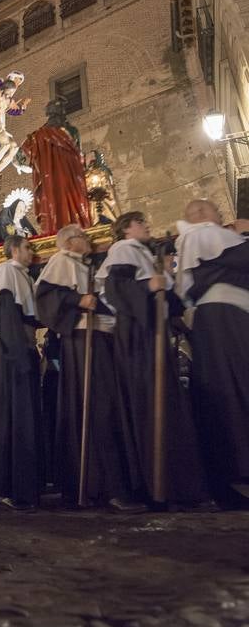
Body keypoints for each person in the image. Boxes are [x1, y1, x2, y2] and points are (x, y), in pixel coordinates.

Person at [96, 211, 207, 507]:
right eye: (140, 222)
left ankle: (173, 485)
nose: (146, 225)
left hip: (151, 336)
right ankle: (156, 485)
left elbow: (167, 301)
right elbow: (115, 289)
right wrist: (149, 286)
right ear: (125, 230)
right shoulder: (122, 250)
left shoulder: (141, 254)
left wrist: (166, 287)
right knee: (147, 403)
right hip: (136, 337)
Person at [36, 225, 137, 510]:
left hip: (101, 339)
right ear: (70, 242)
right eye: (83, 236)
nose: (88, 240)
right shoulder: (60, 261)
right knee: (97, 407)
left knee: (106, 407)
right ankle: (103, 487)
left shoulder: (86, 266)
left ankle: (103, 485)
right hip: (83, 340)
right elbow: (45, 296)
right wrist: (77, 299)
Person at [176, 199, 249, 506]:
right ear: (203, 215)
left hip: (222, 318)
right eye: (219, 214)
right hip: (226, 319)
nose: (223, 220)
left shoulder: (197, 239)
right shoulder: (203, 233)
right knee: (236, 389)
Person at [0, 235, 43, 510]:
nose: (32, 252)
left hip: (18, 350)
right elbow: (5, 314)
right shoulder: (7, 271)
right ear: (14, 250)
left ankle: (18, 486)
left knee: (20, 418)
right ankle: (6, 487)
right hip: (9, 353)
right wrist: (19, 355)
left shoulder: (22, 276)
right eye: (28, 247)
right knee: (8, 417)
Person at [21, 97, 91, 236]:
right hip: (61, 177)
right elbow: (79, 153)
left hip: (64, 176)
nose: (61, 115)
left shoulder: (41, 135)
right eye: (59, 112)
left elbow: (20, 157)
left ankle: (67, 231)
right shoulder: (44, 134)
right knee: (62, 204)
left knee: (65, 203)